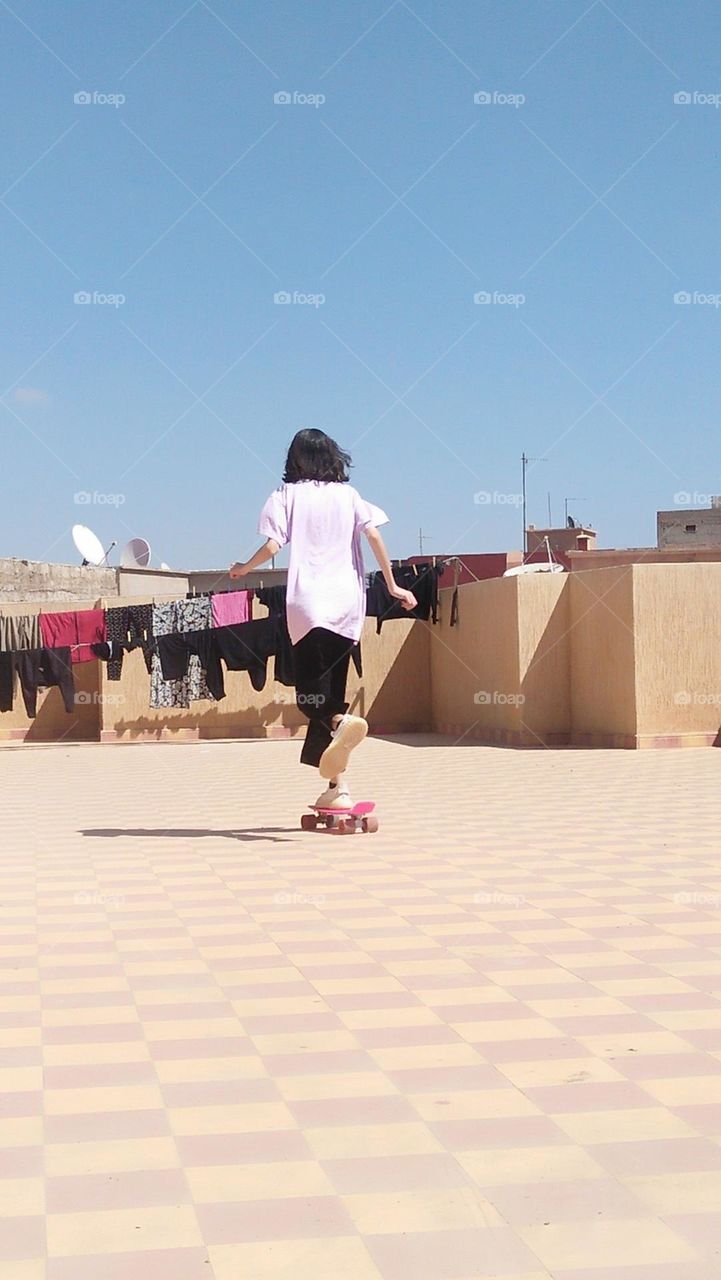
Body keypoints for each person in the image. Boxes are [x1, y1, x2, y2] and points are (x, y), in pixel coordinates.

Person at [230, 428, 416, 809]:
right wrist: (394, 587)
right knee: (332, 695)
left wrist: (243, 569)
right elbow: (375, 537)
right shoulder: (349, 496)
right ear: (333, 457)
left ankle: (338, 726)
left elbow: (272, 544)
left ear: (293, 459)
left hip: (310, 604)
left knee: (313, 700)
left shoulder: (285, 496)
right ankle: (337, 788)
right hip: (348, 605)